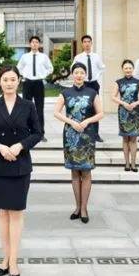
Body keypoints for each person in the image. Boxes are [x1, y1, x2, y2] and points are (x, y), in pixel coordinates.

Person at [0, 66, 42, 276]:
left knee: (16, 214)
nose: (9, 83)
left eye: (13, 79)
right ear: (0, 81)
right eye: (5, 79)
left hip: (20, 164)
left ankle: (13, 260)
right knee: (1, 214)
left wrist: (20, 145)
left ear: (18, 81)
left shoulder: (28, 105)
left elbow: (38, 133)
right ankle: (5, 257)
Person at [53, 62, 104, 224]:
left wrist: (87, 121)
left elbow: (101, 113)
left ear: (85, 75)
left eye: (82, 72)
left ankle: (84, 208)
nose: (79, 75)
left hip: (87, 135)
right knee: (75, 172)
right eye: (76, 72)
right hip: (71, 135)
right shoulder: (65, 93)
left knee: (86, 171)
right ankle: (77, 207)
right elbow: (56, 112)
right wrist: (71, 122)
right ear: (72, 74)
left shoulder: (92, 92)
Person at [112, 59, 139, 172]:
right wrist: (123, 103)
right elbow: (113, 97)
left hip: (135, 112)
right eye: (126, 68)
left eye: (130, 68)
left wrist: (135, 103)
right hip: (123, 112)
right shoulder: (118, 82)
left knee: (133, 139)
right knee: (125, 138)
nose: (128, 70)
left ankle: (133, 163)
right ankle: (126, 163)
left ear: (133, 69)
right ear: (123, 69)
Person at [17, 36, 53, 142]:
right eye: (33, 42)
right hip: (27, 83)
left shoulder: (43, 57)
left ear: (39, 44)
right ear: (30, 44)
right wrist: (24, 74)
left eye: (37, 42)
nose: (34, 44)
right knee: (26, 108)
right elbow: (19, 68)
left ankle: (40, 133)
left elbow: (50, 68)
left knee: (39, 109)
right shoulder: (24, 57)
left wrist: (43, 74)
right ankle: (26, 132)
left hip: (38, 83)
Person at [71, 35, 106, 141]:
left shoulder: (96, 57)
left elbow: (102, 68)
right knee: (83, 108)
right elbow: (72, 69)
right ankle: (83, 131)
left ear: (91, 43)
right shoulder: (78, 58)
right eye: (85, 42)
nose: (87, 44)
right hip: (83, 84)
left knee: (95, 109)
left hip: (94, 84)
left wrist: (97, 75)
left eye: (88, 41)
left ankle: (95, 134)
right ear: (82, 44)